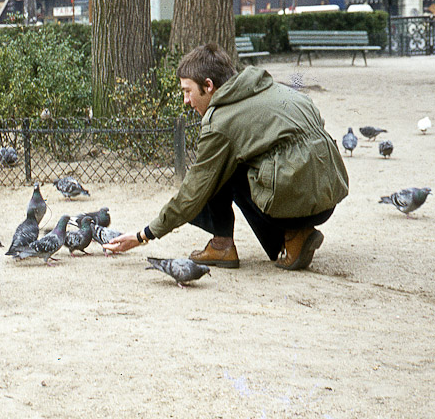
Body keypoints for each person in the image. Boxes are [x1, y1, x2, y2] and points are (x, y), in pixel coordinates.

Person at [104, 43, 348, 271]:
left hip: (298, 205)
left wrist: (144, 235)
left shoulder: (221, 121)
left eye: (187, 91)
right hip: (329, 197)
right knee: (235, 160)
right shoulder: (278, 90)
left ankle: (248, 241)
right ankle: (292, 234)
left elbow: (193, 191)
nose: (186, 101)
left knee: (213, 170)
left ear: (208, 85)